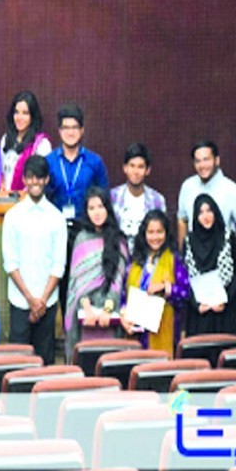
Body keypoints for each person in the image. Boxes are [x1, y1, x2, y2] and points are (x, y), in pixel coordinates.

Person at [2, 155, 67, 365]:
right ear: (24, 179)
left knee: (45, 359)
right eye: (30, 177)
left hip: (47, 301)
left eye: (39, 178)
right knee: (19, 361)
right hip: (20, 301)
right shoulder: (12, 216)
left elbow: (59, 264)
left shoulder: (57, 217)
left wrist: (42, 300)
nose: (34, 182)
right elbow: (10, 263)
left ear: (46, 179)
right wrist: (31, 299)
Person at [45, 103, 109, 313]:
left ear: (82, 130)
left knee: (86, 280)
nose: (70, 132)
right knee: (61, 282)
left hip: (86, 231)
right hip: (57, 230)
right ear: (59, 131)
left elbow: (104, 196)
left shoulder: (94, 161)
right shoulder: (50, 161)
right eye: (66, 127)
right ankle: (66, 328)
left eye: (75, 127)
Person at [65, 187, 129, 357]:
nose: (97, 213)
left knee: (109, 362)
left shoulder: (119, 240)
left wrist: (107, 310)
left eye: (100, 207)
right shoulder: (81, 239)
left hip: (111, 315)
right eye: (91, 208)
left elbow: (119, 280)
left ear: (108, 208)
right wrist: (87, 309)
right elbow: (76, 281)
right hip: (85, 314)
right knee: (86, 363)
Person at [120, 210, 189, 357]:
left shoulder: (174, 259)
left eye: (159, 232)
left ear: (166, 233)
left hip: (165, 330)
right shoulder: (135, 260)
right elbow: (124, 294)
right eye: (150, 232)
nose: (155, 237)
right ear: (144, 234)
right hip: (136, 332)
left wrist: (166, 288)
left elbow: (185, 293)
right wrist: (123, 314)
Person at [182, 194, 236, 336]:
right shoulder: (188, 241)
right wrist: (196, 305)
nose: (206, 216)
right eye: (201, 212)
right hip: (199, 316)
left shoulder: (228, 237)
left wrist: (226, 299)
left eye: (209, 210)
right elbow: (184, 277)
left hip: (225, 313)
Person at [176, 140, 236, 249]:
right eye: (197, 161)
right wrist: (182, 254)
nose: (202, 165)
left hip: (224, 260)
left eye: (206, 159)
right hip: (194, 260)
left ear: (217, 160)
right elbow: (182, 219)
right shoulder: (187, 186)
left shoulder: (232, 190)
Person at [110, 142, 166, 252]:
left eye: (140, 167)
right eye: (132, 166)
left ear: (147, 170)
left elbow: (162, 235)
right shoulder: (113, 197)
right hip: (118, 257)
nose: (136, 172)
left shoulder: (157, 200)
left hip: (147, 259)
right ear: (125, 168)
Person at [0, 91, 51, 192]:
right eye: (16, 112)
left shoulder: (41, 144)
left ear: (32, 116)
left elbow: (42, 178)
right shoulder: (5, 139)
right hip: (6, 200)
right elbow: (2, 174)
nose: (19, 117)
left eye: (25, 113)